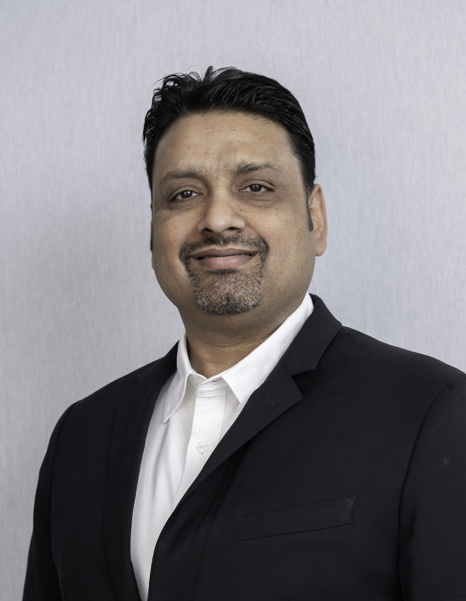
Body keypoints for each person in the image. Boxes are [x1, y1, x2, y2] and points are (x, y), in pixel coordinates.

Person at [23, 67, 466, 601]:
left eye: (256, 187)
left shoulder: (431, 411)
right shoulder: (82, 435)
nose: (217, 219)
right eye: (184, 193)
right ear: (153, 229)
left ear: (315, 218)